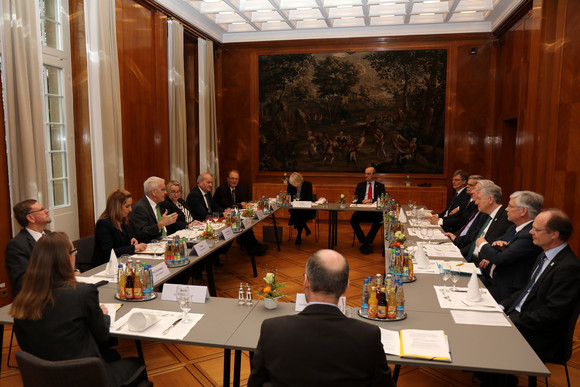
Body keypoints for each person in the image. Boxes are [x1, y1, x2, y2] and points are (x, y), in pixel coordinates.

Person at [10, 232, 146, 387]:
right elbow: (102, 335)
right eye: (74, 252)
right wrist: (102, 314)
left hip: (43, 376)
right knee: (135, 362)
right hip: (85, 376)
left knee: (111, 355)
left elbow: (25, 344)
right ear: (66, 258)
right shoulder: (82, 293)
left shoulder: (22, 300)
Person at [248, 249, 396, 387]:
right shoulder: (368, 336)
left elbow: (255, 383)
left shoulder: (272, 330)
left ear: (306, 281)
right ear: (346, 287)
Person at [501, 209, 580, 362]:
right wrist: (500, 307)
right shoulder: (543, 255)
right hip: (523, 318)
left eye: (536, 229)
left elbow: (551, 314)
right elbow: (526, 291)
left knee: (488, 337)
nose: (530, 232)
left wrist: (511, 319)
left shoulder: (569, 267)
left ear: (554, 234)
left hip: (540, 335)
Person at [476, 191, 544, 301]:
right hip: (491, 282)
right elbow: (497, 242)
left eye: (510, 206)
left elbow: (500, 258)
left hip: (505, 293)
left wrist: (482, 244)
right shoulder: (514, 228)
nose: (506, 209)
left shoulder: (529, 235)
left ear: (523, 211)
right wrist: (495, 247)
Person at [447, 182, 512, 260]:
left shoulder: (505, 218)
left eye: (479, 199)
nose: (476, 202)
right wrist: (458, 254)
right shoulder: (488, 215)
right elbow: (475, 242)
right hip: (469, 257)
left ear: (490, 199)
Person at [212, 171, 268, 255]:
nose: (234, 181)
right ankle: (252, 249)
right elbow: (227, 205)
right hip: (222, 216)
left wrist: (244, 204)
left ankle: (255, 245)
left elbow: (244, 201)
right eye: (232, 178)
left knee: (247, 225)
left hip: (233, 215)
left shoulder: (239, 188)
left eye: (236, 179)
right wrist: (240, 205)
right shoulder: (222, 189)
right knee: (243, 224)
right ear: (227, 179)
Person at [5, 199, 53, 296]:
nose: (46, 211)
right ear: (31, 218)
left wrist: (74, 270)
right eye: (41, 210)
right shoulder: (16, 245)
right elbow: (23, 282)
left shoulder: (49, 235)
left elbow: (65, 258)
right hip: (35, 299)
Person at [92, 189, 147, 267]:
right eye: (127, 206)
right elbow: (109, 252)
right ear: (117, 207)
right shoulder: (103, 224)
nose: (130, 209)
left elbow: (123, 244)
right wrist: (133, 247)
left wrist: (132, 240)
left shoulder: (123, 221)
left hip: (122, 263)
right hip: (105, 266)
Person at [128, 176, 178, 243]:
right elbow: (142, 233)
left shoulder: (157, 205)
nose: (166, 192)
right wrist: (160, 225)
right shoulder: (140, 207)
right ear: (154, 192)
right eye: (163, 190)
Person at [350, 166, 386, 254]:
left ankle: (368, 241)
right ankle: (363, 241)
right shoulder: (360, 185)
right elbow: (355, 199)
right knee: (353, 220)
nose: (366, 175)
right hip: (362, 210)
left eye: (368, 174)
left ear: (374, 175)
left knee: (380, 220)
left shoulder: (380, 186)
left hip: (375, 211)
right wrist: (362, 201)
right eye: (365, 173)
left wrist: (371, 200)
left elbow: (383, 199)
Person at [287, 172, 315, 245]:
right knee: (298, 215)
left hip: (306, 209)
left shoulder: (308, 185)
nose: (294, 186)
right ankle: (305, 228)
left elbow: (309, 198)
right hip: (295, 209)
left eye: (296, 184)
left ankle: (299, 235)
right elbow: (289, 197)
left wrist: (300, 202)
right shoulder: (290, 185)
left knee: (299, 216)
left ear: (300, 181)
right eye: (293, 184)